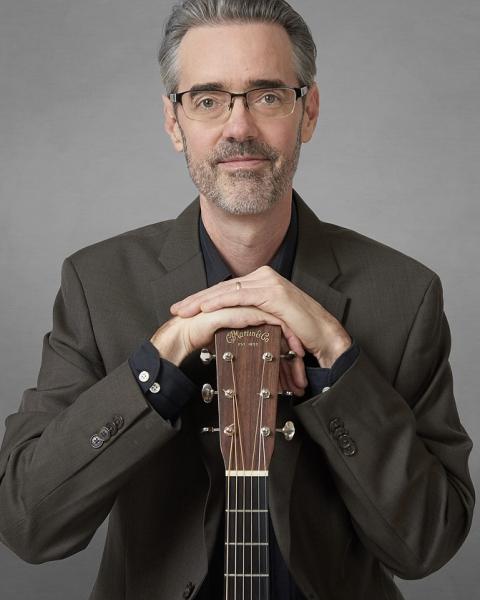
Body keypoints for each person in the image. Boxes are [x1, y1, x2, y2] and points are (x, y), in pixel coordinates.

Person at [0, 0, 474, 598]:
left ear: (308, 112)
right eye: (208, 100)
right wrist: (153, 369)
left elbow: (428, 545)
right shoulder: (98, 286)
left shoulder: (405, 295)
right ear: (175, 123)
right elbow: (27, 523)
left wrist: (339, 365)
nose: (239, 127)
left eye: (267, 96)